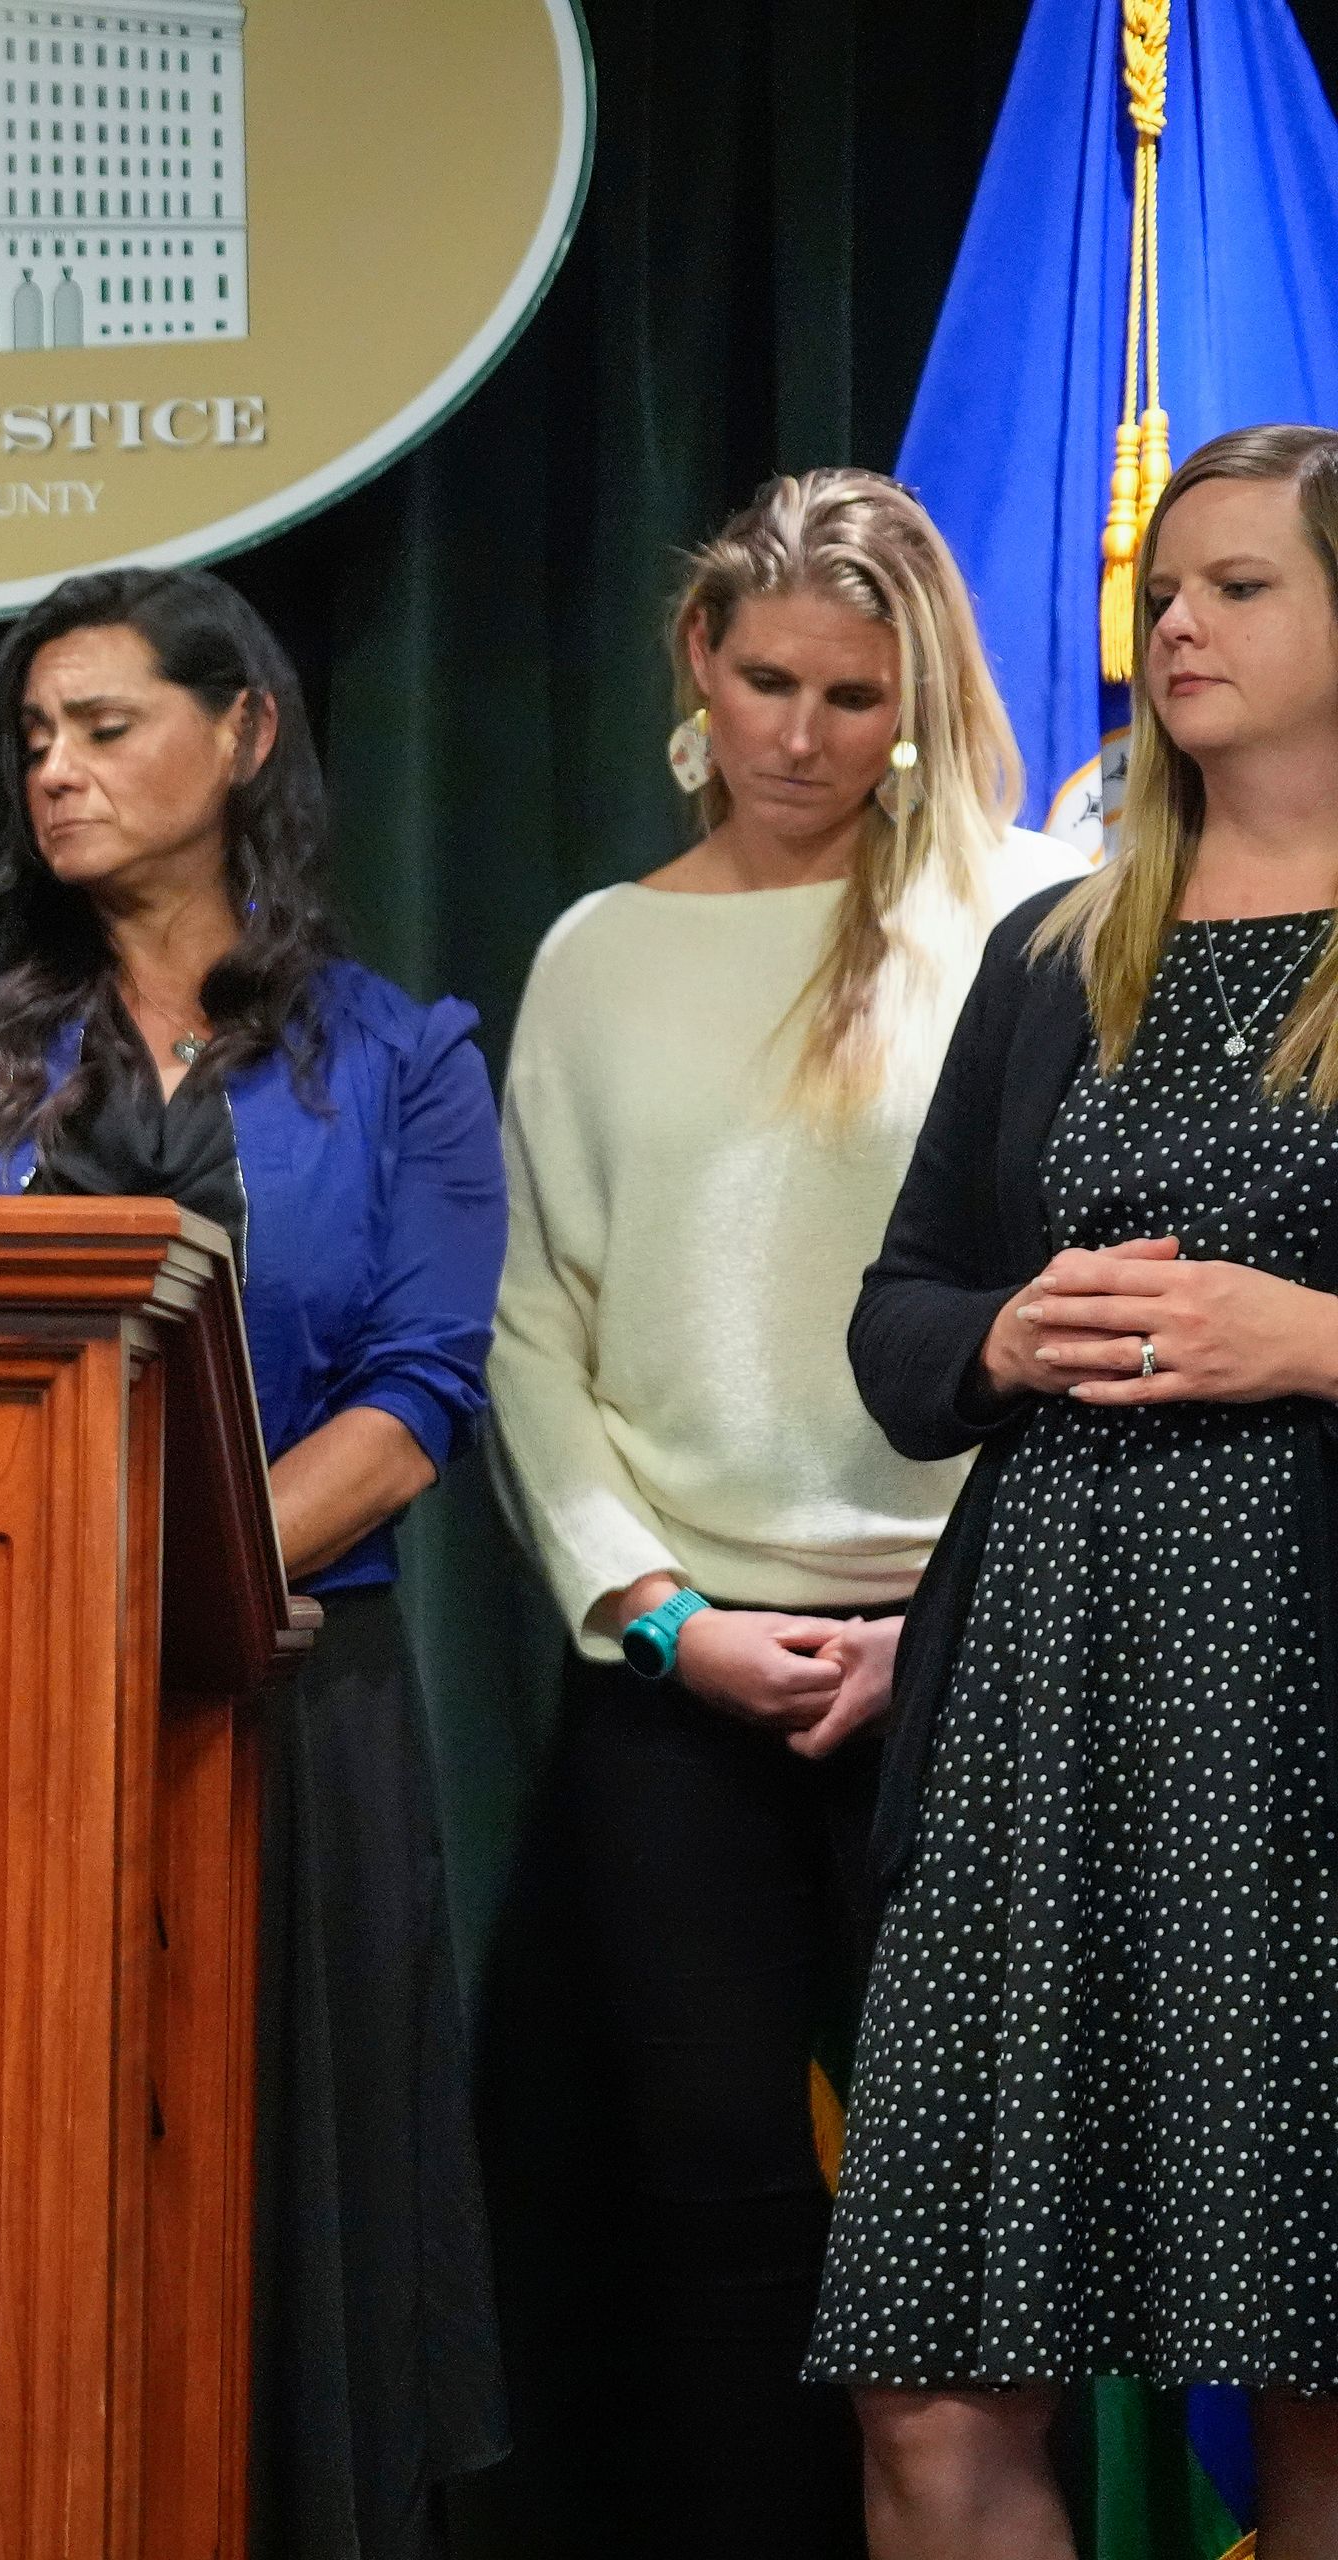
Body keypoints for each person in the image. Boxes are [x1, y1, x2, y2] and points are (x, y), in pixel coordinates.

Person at [0, 565, 506, 2560]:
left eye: (106, 725)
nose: (57, 772)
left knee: (284, 2226)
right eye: (35, 739)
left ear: (240, 735)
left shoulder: (402, 1058)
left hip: (289, 1725)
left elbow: (414, 1399)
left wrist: (177, 1586)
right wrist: (52, 1587)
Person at [489, 470, 1079, 2559]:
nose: (804, 733)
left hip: (978, 1652)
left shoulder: (1040, 919)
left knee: (994, 2259)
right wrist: (650, 1610)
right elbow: (535, 1329)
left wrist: (947, 1623)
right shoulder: (598, 952)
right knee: (718, 2221)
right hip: (683, 1676)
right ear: (696, 667)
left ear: (916, 695)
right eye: (766, 680)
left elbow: (1069, 1301)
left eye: (854, 691)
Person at [807, 424, 1338, 2557]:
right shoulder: (1059, 949)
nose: (1176, 624)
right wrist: (1004, 1336)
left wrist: (1311, 1339)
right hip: (1046, 1728)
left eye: (1238, 586)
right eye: (1164, 594)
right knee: (932, 2397)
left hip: (1302, 1739)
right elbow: (903, 1309)